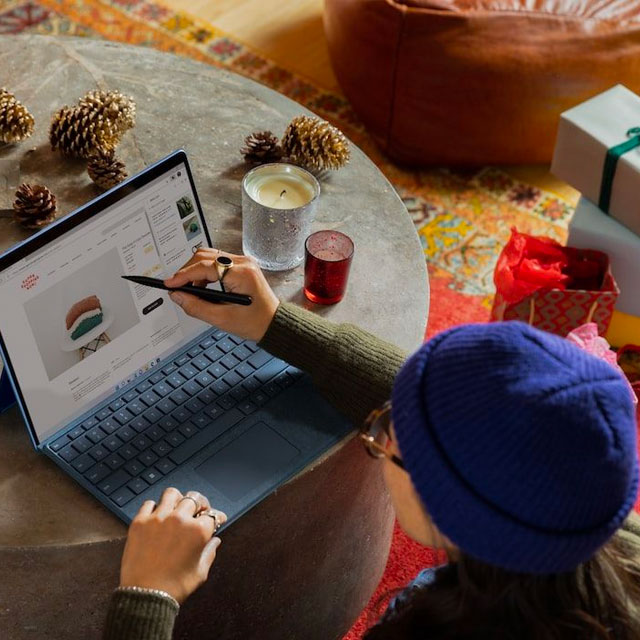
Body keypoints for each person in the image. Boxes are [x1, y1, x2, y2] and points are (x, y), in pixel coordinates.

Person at [103, 248, 640, 640]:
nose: (379, 433)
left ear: (445, 505)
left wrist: (148, 599)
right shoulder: (602, 530)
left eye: (387, 436)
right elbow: (481, 418)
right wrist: (278, 323)